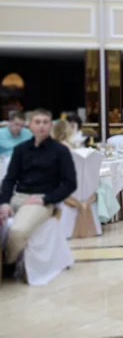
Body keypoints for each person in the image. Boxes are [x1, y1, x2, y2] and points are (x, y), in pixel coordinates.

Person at [0, 108, 77, 265]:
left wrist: (46, 199)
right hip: (18, 196)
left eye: (45, 122)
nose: (41, 126)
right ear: (30, 126)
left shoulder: (60, 151)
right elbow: (9, 179)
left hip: (42, 200)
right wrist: (5, 202)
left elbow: (70, 183)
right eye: (37, 122)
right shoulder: (20, 149)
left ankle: (7, 263)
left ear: (50, 126)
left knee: (17, 231)